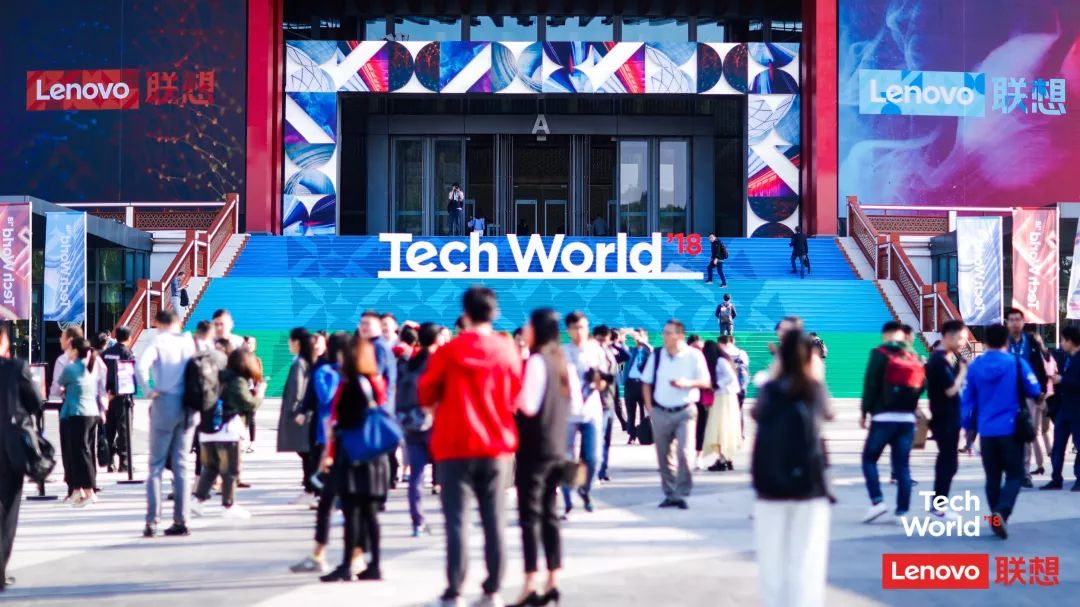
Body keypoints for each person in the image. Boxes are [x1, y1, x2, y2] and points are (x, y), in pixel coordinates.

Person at [419, 286, 523, 607]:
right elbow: (516, 397)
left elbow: (426, 395)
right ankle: (492, 590)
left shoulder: (447, 352)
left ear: (464, 314)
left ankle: (454, 591)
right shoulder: (507, 351)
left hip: (454, 446)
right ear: (495, 313)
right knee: (495, 520)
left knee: (456, 522)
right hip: (496, 448)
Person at [751, 330, 834, 607]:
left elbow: (756, 413)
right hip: (808, 485)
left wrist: (774, 373)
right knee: (807, 559)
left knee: (771, 559)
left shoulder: (770, 389)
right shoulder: (813, 388)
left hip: (770, 485)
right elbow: (828, 413)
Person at [511, 309, 581, 607]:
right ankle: (553, 580)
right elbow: (575, 405)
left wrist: (511, 400)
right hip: (556, 448)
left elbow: (527, 405)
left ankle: (530, 583)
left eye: (529, 325)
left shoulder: (537, 361)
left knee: (529, 517)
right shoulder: (561, 360)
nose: (525, 329)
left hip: (534, 450)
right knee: (550, 515)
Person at [319, 335, 391, 582]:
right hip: (374, 458)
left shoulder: (352, 385)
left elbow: (349, 420)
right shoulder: (374, 381)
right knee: (369, 514)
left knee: (352, 513)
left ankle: (347, 565)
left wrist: (334, 430)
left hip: (354, 457)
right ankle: (373, 565)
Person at [962, 323, 1042, 539]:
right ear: (1006, 341)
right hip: (1011, 429)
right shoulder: (1016, 363)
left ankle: (996, 515)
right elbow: (1034, 389)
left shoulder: (975, 367)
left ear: (985, 342)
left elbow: (967, 401)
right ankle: (1002, 512)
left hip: (987, 431)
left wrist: (968, 429)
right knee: (1015, 475)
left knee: (992, 478)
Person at [291, 331, 348, 574]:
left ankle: (326, 554)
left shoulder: (333, 372)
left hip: (336, 433)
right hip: (328, 431)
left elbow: (327, 397)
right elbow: (322, 398)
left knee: (332, 486)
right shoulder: (329, 371)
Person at [137, 309, 197, 537]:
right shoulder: (189, 342)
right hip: (188, 405)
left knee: (156, 465)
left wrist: (148, 390)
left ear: (158, 324)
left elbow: (140, 366)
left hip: (164, 403)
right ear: (177, 323)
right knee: (181, 465)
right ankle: (182, 519)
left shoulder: (158, 341)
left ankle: (152, 521)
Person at [641, 319, 711, 509]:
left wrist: (687, 383)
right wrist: (650, 409)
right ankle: (670, 493)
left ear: (680, 335)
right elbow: (646, 383)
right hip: (661, 411)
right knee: (664, 455)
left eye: (668, 333)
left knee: (684, 453)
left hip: (685, 411)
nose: (664, 336)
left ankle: (681, 493)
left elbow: (706, 382)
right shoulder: (657, 356)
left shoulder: (694, 355)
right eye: (664, 332)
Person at [859, 321, 923, 523]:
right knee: (902, 466)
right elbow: (922, 385)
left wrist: (864, 412)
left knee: (869, 459)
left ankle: (877, 502)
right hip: (906, 419)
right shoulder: (913, 354)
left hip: (883, 417)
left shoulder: (879, 353)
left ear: (885, 334)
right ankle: (902, 511)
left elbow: (870, 384)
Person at [191, 348, 264, 519]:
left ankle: (198, 500)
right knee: (231, 469)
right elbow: (250, 404)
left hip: (208, 428)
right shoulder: (237, 381)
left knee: (211, 468)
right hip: (228, 431)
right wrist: (260, 393)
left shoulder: (217, 376)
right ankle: (228, 505)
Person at [0, 323, 44, 591]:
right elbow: (36, 402)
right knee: (8, 508)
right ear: (4, 341)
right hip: (9, 447)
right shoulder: (16, 368)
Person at [560, 312, 606, 516]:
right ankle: (568, 500)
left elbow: (603, 383)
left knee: (593, 457)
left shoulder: (596, 351)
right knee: (567, 458)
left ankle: (585, 489)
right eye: (575, 328)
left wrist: (597, 381)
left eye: (583, 328)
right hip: (568, 412)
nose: (580, 332)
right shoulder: (562, 352)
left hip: (591, 411)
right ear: (568, 330)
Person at [398, 323, 440, 537]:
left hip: (411, 424)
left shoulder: (410, 363)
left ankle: (417, 522)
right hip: (435, 424)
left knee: (416, 474)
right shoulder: (437, 362)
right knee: (448, 472)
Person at [925, 320, 968, 517]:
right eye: (961, 339)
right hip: (944, 419)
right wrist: (963, 372)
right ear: (949, 336)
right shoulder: (938, 361)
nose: (963, 343)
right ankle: (938, 504)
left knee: (949, 462)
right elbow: (950, 390)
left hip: (948, 418)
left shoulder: (944, 359)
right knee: (947, 463)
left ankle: (939, 503)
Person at [58, 337, 105, 506]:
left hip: (77, 413)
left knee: (80, 453)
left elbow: (57, 387)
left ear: (76, 351)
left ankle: (89, 490)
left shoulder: (71, 369)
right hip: (92, 412)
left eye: (70, 349)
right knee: (86, 452)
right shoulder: (92, 367)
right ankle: (80, 490)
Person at [1005, 309, 1048, 488]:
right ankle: (1012, 470)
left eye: (1018, 319)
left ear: (1023, 322)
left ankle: (1025, 473)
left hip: (1029, 393)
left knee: (1026, 431)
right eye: (1012, 320)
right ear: (1007, 322)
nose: (1015, 323)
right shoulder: (1003, 342)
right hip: (1007, 394)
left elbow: (1041, 366)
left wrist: (1042, 391)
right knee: (1008, 433)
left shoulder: (1031, 341)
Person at [277, 327, 317, 506]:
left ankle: (311, 490)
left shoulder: (299, 363)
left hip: (299, 415)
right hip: (305, 414)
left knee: (306, 453)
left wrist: (295, 412)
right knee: (307, 453)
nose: (288, 343)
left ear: (297, 342)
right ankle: (311, 490)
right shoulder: (306, 361)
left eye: (290, 340)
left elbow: (296, 390)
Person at [1043, 326, 1080, 491]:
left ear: (1070, 341)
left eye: (1063, 340)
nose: (1061, 343)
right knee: (1058, 444)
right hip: (1063, 408)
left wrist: (1063, 380)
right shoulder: (1064, 357)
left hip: (1077, 409)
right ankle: (1056, 477)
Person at [102, 326, 136, 473]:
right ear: (129, 338)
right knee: (124, 431)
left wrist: (107, 392)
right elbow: (127, 377)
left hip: (107, 397)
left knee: (109, 430)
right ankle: (124, 463)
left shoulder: (106, 353)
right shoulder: (127, 354)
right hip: (122, 398)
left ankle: (109, 462)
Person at [703, 344, 742, 472]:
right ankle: (726, 458)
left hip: (723, 397)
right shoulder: (723, 360)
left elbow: (730, 377)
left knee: (720, 428)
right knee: (725, 428)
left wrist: (716, 384)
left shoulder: (720, 361)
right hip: (725, 397)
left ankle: (722, 459)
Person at [593, 325, 622, 483]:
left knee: (606, 439)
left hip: (610, 400)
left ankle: (602, 470)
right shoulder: (592, 354)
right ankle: (595, 471)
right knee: (598, 438)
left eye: (605, 339)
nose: (603, 342)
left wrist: (616, 344)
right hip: (599, 401)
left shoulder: (610, 352)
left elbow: (625, 356)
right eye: (600, 339)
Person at [623, 329, 652, 445]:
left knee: (643, 412)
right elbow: (621, 349)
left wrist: (644, 343)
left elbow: (652, 352)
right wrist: (624, 334)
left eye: (641, 336)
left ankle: (643, 434)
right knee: (631, 412)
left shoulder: (648, 351)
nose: (638, 338)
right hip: (630, 384)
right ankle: (632, 435)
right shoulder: (631, 350)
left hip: (643, 385)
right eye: (637, 336)